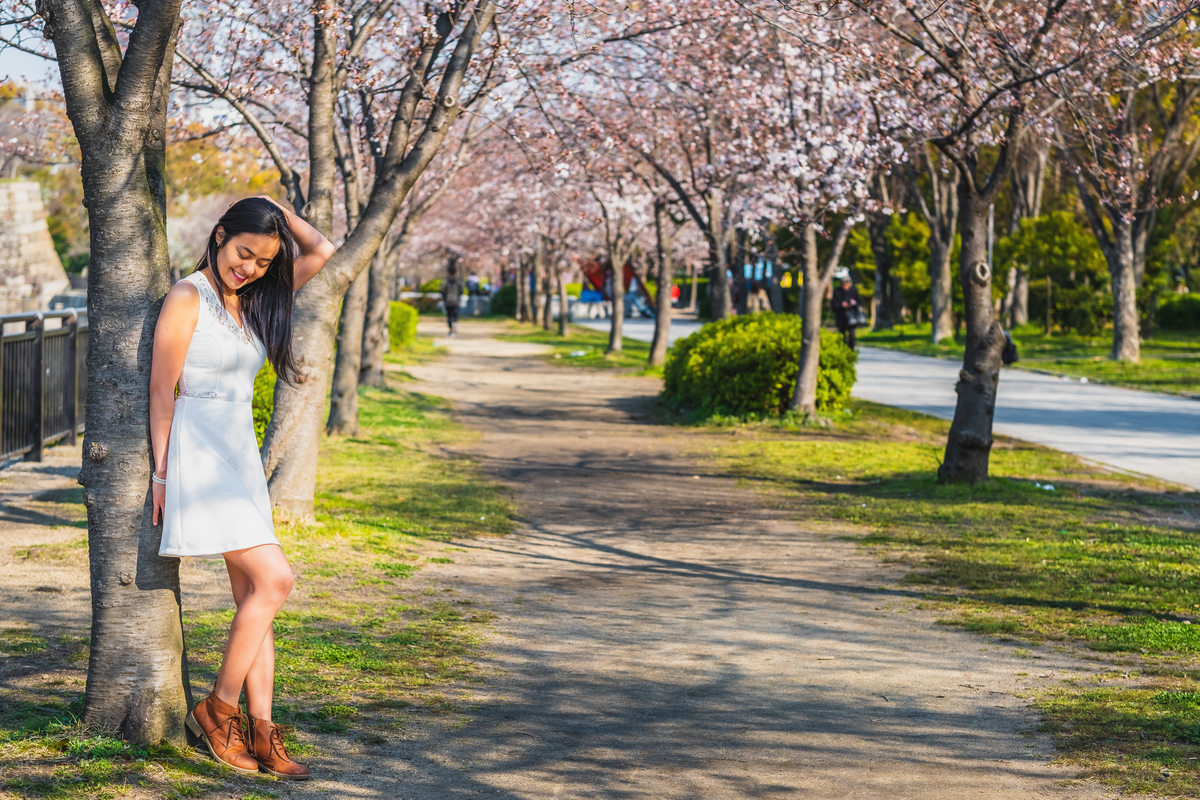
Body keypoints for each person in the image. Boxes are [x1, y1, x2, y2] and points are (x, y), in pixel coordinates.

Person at [149, 196, 334, 780]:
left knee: (256, 598)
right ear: (220, 235)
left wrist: (277, 209)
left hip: (239, 454)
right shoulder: (187, 296)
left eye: (260, 261)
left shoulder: (253, 301)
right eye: (242, 253)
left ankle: (262, 731)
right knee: (277, 579)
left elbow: (321, 250)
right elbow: (161, 390)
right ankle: (217, 709)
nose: (248, 267)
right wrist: (160, 473)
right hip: (200, 452)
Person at [831, 267, 862, 349]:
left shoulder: (853, 291)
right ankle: (843, 349)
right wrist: (842, 305)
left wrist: (853, 303)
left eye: (847, 283)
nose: (846, 285)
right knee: (842, 334)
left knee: (852, 335)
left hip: (852, 316)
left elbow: (859, 301)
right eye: (844, 283)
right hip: (841, 316)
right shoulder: (837, 291)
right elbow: (833, 304)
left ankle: (851, 350)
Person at [441, 260, 463, 336]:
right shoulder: (458, 281)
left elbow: (442, 290)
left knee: (449, 315)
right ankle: (455, 324)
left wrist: (444, 297)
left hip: (448, 301)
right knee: (455, 314)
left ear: (448, 272)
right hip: (456, 300)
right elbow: (461, 290)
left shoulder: (445, 281)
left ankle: (451, 329)